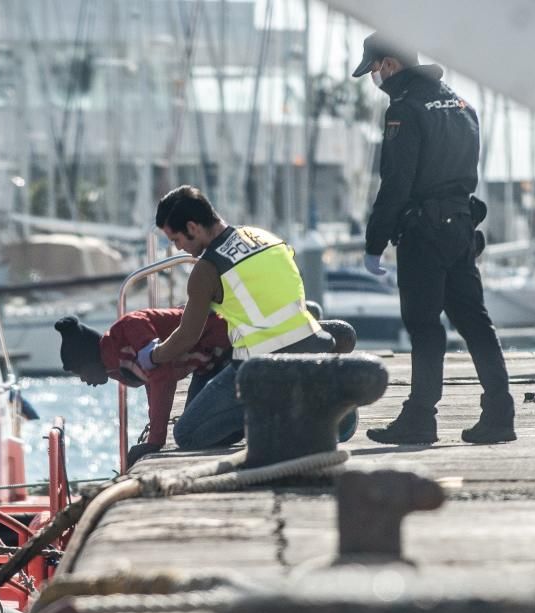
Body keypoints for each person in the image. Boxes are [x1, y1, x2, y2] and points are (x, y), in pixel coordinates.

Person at [351, 32, 515, 444]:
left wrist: (375, 243)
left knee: (424, 325)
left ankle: (420, 418)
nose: (375, 78)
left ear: (389, 65)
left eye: (373, 69)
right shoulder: (461, 105)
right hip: (461, 225)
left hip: (424, 232)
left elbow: (397, 183)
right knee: (475, 322)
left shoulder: (404, 110)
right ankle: (500, 413)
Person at [142, 185, 336, 451]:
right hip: (309, 345)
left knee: (187, 434)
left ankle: (277, 411)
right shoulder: (264, 237)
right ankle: (307, 400)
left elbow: (187, 337)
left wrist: (154, 355)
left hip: (260, 367)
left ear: (192, 227)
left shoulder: (207, 269)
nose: (179, 249)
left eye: (177, 240)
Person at [55, 308, 235, 467]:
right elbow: (152, 383)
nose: (83, 380)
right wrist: (154, 434)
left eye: (80, 372)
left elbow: (162, 377)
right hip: (207, 367)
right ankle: (241, 419)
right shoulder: (115, 365)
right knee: (194, 429)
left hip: (228, 350)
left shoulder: (129, 328)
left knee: (186, 434)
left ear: (89, 358)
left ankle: (245, 414)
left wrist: (155, 441)